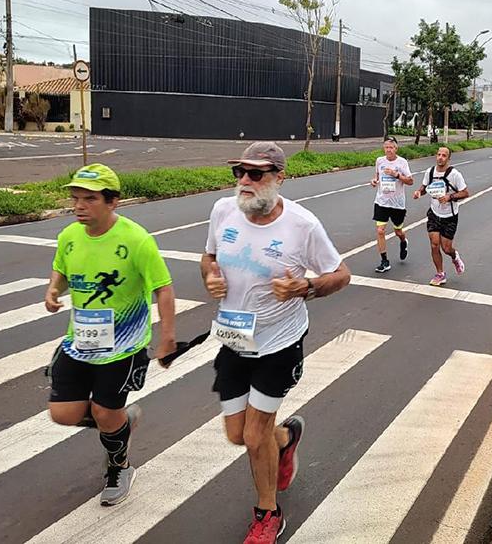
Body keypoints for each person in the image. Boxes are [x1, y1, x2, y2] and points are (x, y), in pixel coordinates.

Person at [202, 141, 351, 544]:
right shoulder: (223, 211)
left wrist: (306, 286)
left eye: (256, 174)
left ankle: (268, 513)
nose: (244, 181)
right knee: (238, 434)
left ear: (279, 177)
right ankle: (286, 440)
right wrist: (210, 277)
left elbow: (341, 274)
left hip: (279, 343)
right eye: (239, 172)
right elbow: (209, 259)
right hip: (234, 339)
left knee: (253, 436)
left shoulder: (302, 226)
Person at [44, 163, 177, 506]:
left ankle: (120, 466)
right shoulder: (69, 237)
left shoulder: (136, 240)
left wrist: (167, 337)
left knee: (104, 412)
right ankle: (120, 423)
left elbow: (163, 288)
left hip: (124, 347)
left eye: (89, 199)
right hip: (80, 342)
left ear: (112, 202)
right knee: (63, 414)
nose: (79, 206)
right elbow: (60, 268)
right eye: (75, 198)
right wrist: (52, 290)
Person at [413, 146, 469, 286]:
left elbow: (465, 193)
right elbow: (425, 187)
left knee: (446, 248)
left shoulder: (455, 174)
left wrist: (449, 197)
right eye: (439, 154)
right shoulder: (430, 172)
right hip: (434, 213)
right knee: (434, 244)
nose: (440, 157)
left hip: (449, 216)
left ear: (448, 159)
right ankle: (440, 274)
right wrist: (419, 192)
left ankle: (454, 256)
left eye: (444, 155)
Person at [370, 136, 414, 273]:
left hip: (397, 204)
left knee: (398, 231)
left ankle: (403, 241)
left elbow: (410, 181)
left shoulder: (402, 163)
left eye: (391, 147)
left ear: (396, 148)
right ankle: (384, 261)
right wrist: (374, 181)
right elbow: (376, 177)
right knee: (380, 230)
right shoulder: (379, 161)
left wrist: (396, 175)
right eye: (386, 147)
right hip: (382, 201)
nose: (388, 150)